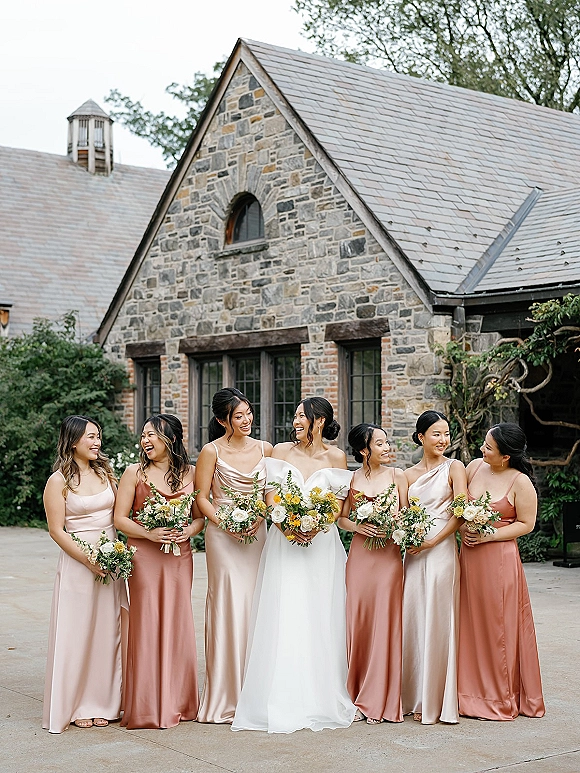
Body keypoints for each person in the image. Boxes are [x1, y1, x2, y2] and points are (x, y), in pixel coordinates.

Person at [232, 397, 356, 733]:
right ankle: (278, 693)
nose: (295, 420)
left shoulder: (336, 456)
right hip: (283, 542)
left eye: (302, 415)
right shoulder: (280, 452)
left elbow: (339, 502)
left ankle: (321, 694)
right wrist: (285, 523)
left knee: (318, 611)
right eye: (296, 415)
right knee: (285, 609)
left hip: (321, 544)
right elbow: (269, 493)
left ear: (319, 421)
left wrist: (316, 524)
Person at [114, 414, 204, 729]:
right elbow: (120, 519)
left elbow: (199, 518)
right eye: (143, 436)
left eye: (151, 435)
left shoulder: (191, 473)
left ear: (171, 438)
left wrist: (188, 532)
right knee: (146, 623)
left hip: (179, 556)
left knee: (177, 622)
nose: (145, 441)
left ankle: (178, 701)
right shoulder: (133, 473)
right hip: (143, 557)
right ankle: (146, 705)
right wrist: (148, 534)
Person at [43, 415, 127, 733]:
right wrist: (89, 560)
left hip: (111, 564)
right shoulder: (58, 481)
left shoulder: (105, 473)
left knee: (108, 633)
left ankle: (103, 702)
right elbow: (56, 531)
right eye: (91, 437)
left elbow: (119, 516)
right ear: (73, 440)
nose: (97, 442)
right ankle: (76, 703)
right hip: (78, 564)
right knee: (77, 633)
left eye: (99, 436)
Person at [458, 423, 545, 720]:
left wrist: (489, 536)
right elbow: (457, 506)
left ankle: (499, 697)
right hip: (468, 559)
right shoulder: (473, 467)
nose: (482, 449)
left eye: (488, 447)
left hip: (499, 560)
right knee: (469, 624)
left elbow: (527, 524)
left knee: (499, 628)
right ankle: (465, 693)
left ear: (505, 456)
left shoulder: (520, 482)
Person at [195, 388, 272, 724]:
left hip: (256, 534)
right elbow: (201, 497)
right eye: (238, 415)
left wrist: (257, 518)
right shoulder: (211, 452)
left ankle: (257, 688)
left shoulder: (266, 449)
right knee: (228, 603)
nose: (247, 420)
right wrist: (224, 522)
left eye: (249, 412)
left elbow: (272, 493)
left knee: (257, 602)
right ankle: (226, 694)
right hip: (222, 537)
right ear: (222, 420)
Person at [337, 423, 408, 725]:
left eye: (387, 441)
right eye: (380, 443)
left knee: (384, 623)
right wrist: (358, 526)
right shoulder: (349, 478)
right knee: (359, 621)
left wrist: (397, 526)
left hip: (388, 558)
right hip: (360, 558)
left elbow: (407, 515)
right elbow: (339, 518)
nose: (387, 447)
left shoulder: (398, 476)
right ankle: (355, 695)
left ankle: (380, 698)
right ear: (364, 450)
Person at [402, 410, 467, 725]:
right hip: (413, 553)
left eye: (446, 433)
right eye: (436, 434)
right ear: (421, 437)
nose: (444, 440)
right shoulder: (408, 474)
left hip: (441, 552)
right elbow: (401, 513)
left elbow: (461, 512)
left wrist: (433, 541)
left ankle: (438, 699)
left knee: (440, 619)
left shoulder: (455, 468)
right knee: (414, 617)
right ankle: (414, 696)